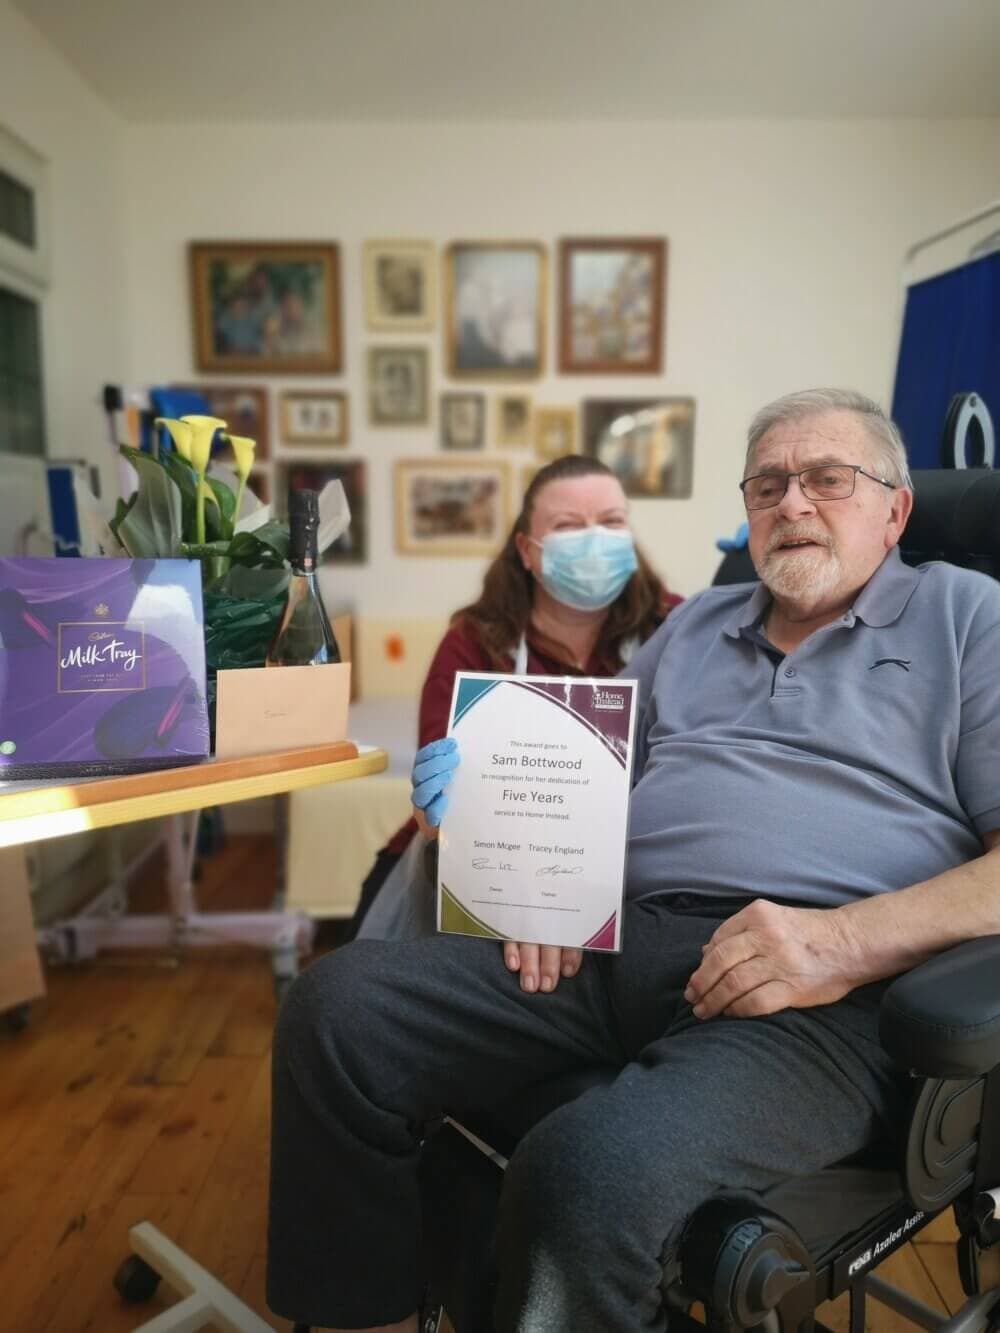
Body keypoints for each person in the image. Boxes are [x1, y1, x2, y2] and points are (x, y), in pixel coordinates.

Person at [267, 388, 1000, 1333]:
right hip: (620, 939)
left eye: (827, 479)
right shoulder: (693, 631)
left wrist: (843, 941)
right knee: (334, 1014)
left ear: (896, 510)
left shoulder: (968, 616)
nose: (793, 504)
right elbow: (577, 782)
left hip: (821, 996)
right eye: (768, 484)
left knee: (585, 1169)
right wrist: (501, 834)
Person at [346, 452, 681, 942]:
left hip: (627, 863)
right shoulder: (474, 641)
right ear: (528, 550)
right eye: (569, 526)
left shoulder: (676, 627)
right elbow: (446, 795)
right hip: (475, 857)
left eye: (611, 522)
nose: (594, 540)